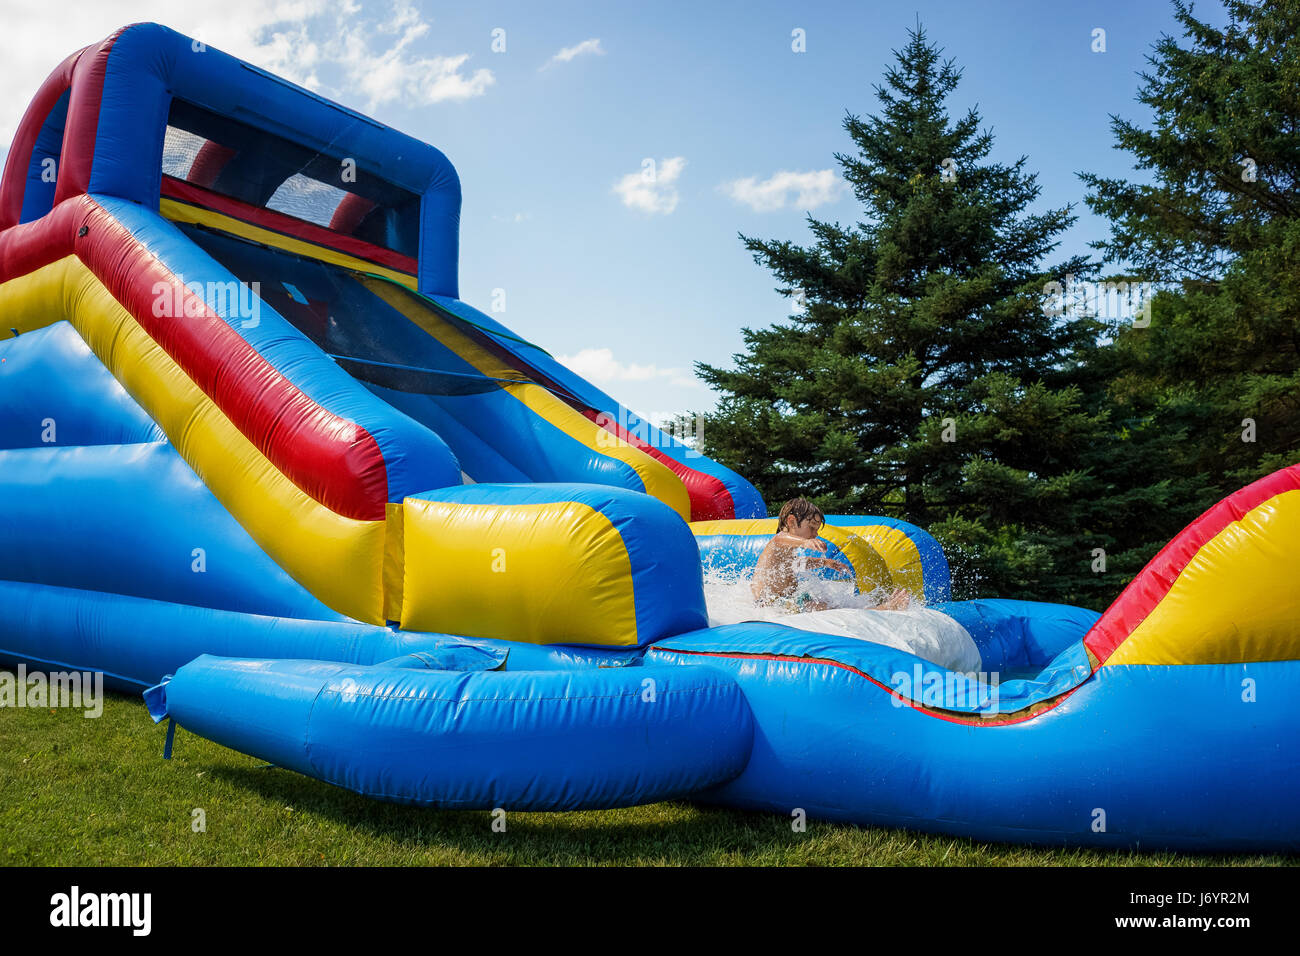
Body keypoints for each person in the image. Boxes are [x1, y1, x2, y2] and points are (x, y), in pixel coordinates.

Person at [750, 497, 912, 612]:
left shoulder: (788, 550)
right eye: (812, 528)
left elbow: (795, 563)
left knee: (830, 604)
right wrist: (805, 543)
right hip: (770, 604)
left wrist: (824, 563)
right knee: (827, 609)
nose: (815, 534)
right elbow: (781, 539)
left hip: (790, 599)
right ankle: (883, 609)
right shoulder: (779, 541)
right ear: (791, 521)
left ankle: (877, 606)